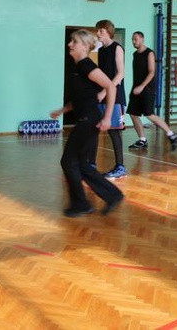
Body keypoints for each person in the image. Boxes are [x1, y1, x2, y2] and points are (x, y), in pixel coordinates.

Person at [50, 29, 124, 217]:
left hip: (89, 120)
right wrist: (62, 110)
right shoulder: (78, 67)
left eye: (74, 42)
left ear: (84, 46)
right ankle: (112, 195)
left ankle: (82, 204)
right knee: (81, 164)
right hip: (87, 118)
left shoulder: (86, 65)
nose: (70, 45)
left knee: (68, 161)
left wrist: (108, 117)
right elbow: (82, 97)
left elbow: (110, 86)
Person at [127, 31, 177, 151]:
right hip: (136, 89)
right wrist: (136, 87)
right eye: (132, 39)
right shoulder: (135, 54)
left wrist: (142, 86)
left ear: (142, 39)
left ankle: (172, 135)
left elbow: (152, 72)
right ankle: (142, 140)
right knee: (133, 114)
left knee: (149, 114)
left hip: (147, 89)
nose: (133, 42)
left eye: (135, 39)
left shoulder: (149, 53)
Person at [94, 19, 127, 179]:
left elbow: (120, 74)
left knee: (114, 132)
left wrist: (105, 91)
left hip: (116, 97)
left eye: (100, 30)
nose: (98, 33)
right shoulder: (101, 51)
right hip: (102, 95)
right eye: (97, 30)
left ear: (108, 31)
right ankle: (91, 163)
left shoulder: (117, 48)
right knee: (95, 128)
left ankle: (120, 167)